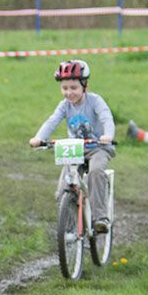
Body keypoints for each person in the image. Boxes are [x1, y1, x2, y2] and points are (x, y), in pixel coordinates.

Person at [29, 59, 115, 232]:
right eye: (65, 88)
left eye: (73, 88)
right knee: (62, 189)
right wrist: (39, 137)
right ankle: (70, 226)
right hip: (75, 149)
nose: (69, 93)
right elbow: (51, 122)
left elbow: (106, 117)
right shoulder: (64, 106)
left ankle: (100, 218)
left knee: (96, 172)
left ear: (85, 86)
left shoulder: (95, 101)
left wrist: (108, 135)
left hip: (98, 147)